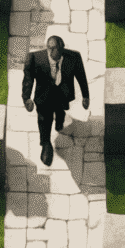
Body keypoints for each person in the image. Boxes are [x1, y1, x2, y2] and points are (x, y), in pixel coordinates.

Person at [22, 34, 90, 165]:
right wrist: (26, 98)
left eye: (57, 50)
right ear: (48, 48)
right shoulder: (35, 58)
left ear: (62, 49)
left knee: (60, 111)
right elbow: (28, 79)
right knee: (44, 120)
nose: (53, 52)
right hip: (44, 96)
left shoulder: (74, 57)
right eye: (50, 49)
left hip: (62, 94)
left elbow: (81, 76)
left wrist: (86, 96)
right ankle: (46, 144)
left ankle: (60, 120)